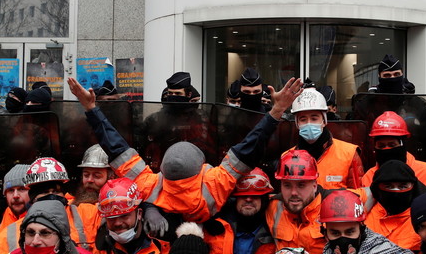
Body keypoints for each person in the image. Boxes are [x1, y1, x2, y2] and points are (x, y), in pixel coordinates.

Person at [66, 74, 302, 225]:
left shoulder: (151, 185)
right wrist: (276, 112)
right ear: (201, 165)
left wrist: (91, 109)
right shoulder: (214, 182)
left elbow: (115, 146)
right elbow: (251, 145)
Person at [0, 157, 101, 254]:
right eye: (44, 192)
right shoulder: (10, 234)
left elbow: (116, 200)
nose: (51, 196)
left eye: (55, 191)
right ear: (33, 197)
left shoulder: (88, 214)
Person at [204, 167, 276, 254]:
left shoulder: (276, 237)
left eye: (255, 195)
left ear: (264, 199)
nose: (248, 199)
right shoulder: (212, 232)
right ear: (234, 198)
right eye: (243, 195)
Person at [361, 111, 426, 207]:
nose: (387, 150)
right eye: (381, 146)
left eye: (392, 145)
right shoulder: (369, 177)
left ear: (403, 144)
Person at [287, 86, 364, 189]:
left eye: (314, 118)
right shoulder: (287, 158)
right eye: (303, 119)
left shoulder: (349, 154)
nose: (309, 123)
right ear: (297, 124)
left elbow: (359, 196)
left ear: (324, 121)